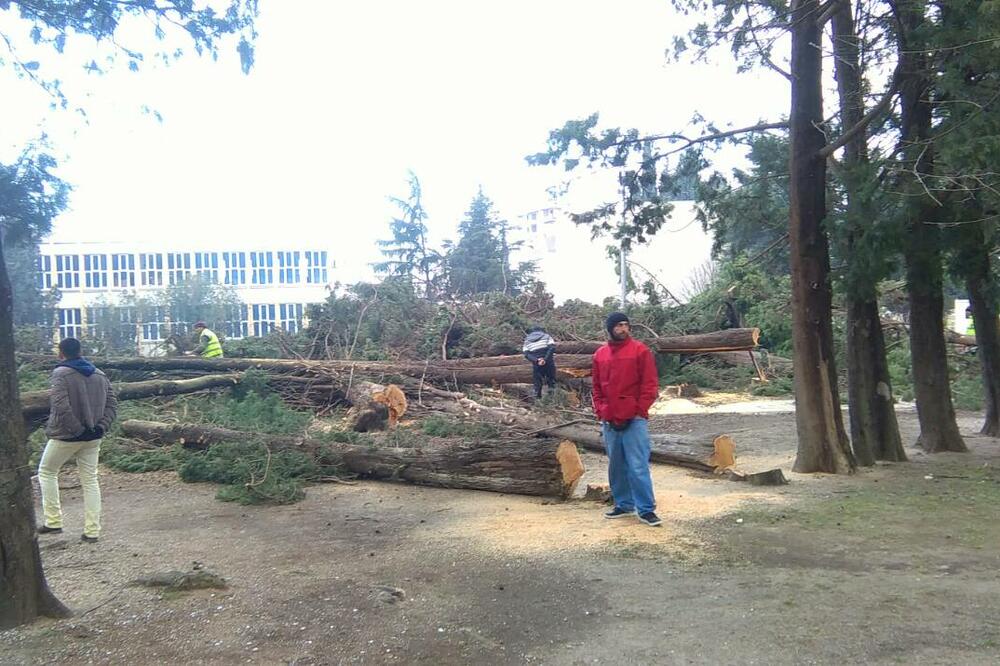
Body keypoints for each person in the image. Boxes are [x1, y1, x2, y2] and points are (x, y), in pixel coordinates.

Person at [37, 337, 118, 542]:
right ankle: (92, 531)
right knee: (90, 480)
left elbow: (60, 406)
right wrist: (100, 427)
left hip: (65, 436)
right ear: (80, 351)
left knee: (47, 472)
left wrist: (78, 430)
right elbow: (112, 404)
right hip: (93, 437)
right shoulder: (100, 374)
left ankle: (53, 521)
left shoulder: (61, 373)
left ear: (61, 353)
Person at [591, 312, 662, 527]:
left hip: (635, 418)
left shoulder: (640, 351)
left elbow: (650, 384)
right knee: (616, 465)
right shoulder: (600, 355)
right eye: (619, 325)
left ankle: (646, 509)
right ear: (610, 328)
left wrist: (639, 410)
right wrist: (602, 411)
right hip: (610, 418)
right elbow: (596, 387)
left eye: (626, 325)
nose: (623, 329)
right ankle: (623, 504)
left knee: (638, 465)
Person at [522, 325, 557, 399]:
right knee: (551, 380)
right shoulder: (547, 336)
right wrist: (545, 359)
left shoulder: (527, 340)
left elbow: (526, 354)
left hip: (536, 363)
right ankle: (552, 399)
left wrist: (537, 360)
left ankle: (537, 399)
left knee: (537, 382)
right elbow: (552, 348)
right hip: (548, 361)